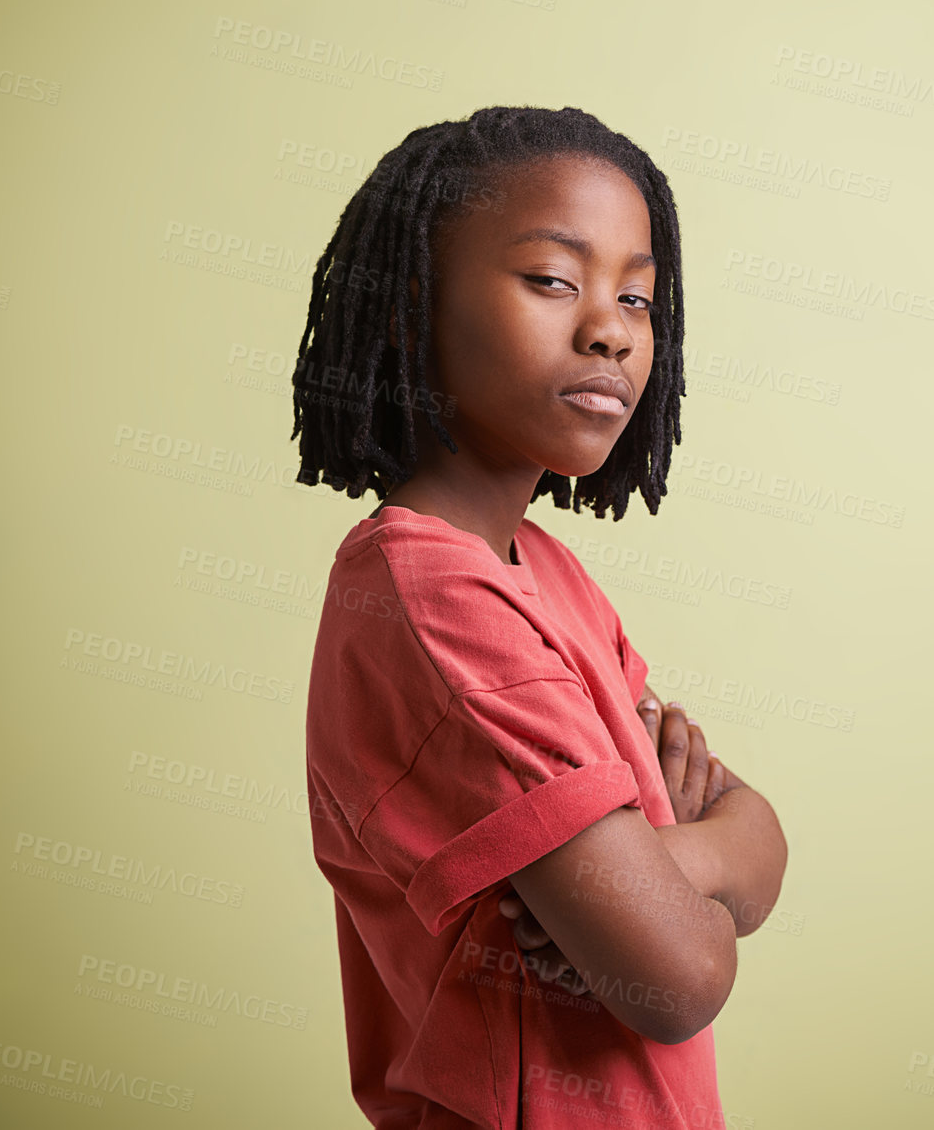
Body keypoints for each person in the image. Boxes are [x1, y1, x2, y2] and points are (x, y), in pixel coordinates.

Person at [293, 105, 788, 1129]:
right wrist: (673, 873)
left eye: (639, 297)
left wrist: (667, 861)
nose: (610, 326)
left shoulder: (547, 575)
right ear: (409, 308)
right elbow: (679, 978)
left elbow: (762, 841)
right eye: (554, 280)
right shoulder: (433, 596)